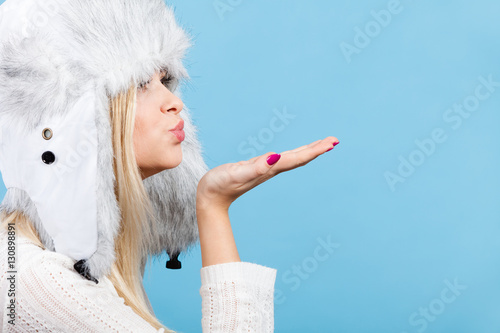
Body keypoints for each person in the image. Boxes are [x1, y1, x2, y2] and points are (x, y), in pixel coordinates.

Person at [0, 0, 339, 332]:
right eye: (140, 84)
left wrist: (208, 199)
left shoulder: (65, 265)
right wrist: (214, 208)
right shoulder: (37, 285)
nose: (174, 102)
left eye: (164, 81)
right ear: (73, 123)